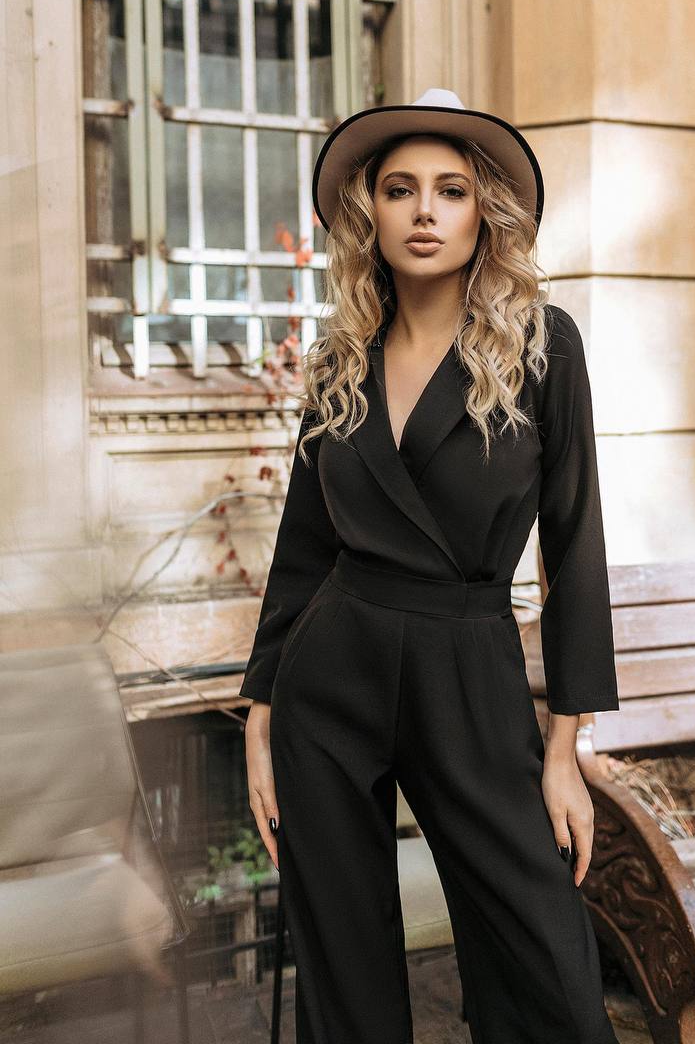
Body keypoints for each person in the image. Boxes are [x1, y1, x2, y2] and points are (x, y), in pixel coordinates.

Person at [241, 87, 621, 1044]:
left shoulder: (540, 344)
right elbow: (302, 547)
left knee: (544, 958)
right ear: (370, 210)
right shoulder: (338, 362)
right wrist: (261, 711)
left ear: (479, 212)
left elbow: (575, 543)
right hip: (331, 675)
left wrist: (564, 749)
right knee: (344, 967)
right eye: (400, 188)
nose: (422, 210)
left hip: (468, 662)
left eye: (449, 190)